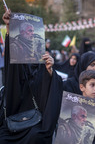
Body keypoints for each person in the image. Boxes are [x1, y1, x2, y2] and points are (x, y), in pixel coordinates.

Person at [0, 9, 63, 144]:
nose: (32, 34)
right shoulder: (17, 51)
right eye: (29, 31)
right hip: (16, 121)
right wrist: (9, 27)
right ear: (21, 33)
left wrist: (49, 71)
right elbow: (12, 70)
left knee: (37, 137)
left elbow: (52, 87)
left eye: (33, 31)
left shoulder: (43, 65)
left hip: (36, 121)